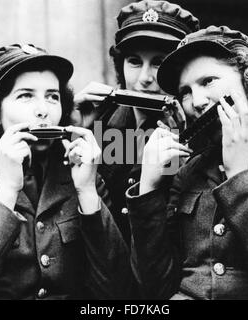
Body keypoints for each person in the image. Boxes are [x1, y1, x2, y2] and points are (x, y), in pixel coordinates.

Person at [126, 26, 248, 299]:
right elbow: (155, 287)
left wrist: (240, 175)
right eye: (185, 91)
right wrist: (148, 188)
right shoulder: (191, 167)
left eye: (208, 81)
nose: (196, 102)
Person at [0, 44, 132, 299]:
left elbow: (120, 291)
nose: (43, 110)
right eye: (26, 95)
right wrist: (5, 194)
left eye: (52, 96)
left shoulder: (84, 176)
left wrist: (88, 192)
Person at [71, 0, 199, 246]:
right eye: (134, 61)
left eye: (159, 62)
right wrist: (74, 124)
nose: (144, 79)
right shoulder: (100, 123)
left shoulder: (202, 133)